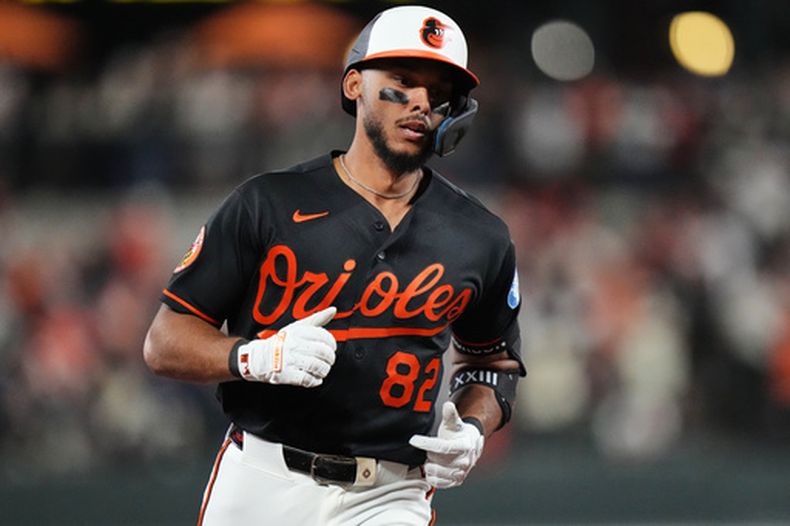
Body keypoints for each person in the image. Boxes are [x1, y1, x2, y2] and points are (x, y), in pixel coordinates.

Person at [143, 5, 524, 525]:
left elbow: (492, 363)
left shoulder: (480, 235)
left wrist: (474, 428)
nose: (420, 101)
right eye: (402, 80)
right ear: (353, 86)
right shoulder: (267, 203)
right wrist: (258, 358)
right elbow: (165, 342)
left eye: (439, 92)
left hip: (392, 494)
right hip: (263, 477)